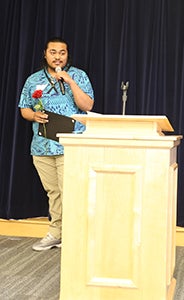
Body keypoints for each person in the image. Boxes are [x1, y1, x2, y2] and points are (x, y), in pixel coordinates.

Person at [18, 37, 94, 251]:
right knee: (53, 192)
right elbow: (24, 108)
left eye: (62, 52)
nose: (57, 56)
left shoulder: (79, 76)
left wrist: (69, 81)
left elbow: (87, 105)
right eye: (53, 52)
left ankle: (73, 235)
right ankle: (56, 233)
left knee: (70, 190)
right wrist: (34, 116)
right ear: (45, 53)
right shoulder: (33, 80)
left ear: (67, 54)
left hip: (70, 145)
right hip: (42, 145)